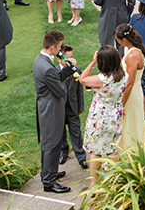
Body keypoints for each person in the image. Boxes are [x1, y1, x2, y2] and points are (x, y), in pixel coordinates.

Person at [33, 30, 77, 193]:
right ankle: (49, 182)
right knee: (52, 143)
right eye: (58, 46)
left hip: (45, 106)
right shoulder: (47, 68)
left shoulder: (40, 60)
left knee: (48, 142)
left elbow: (55, 78)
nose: (59, 49)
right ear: (52, 47)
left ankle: (48, 172)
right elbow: (60, 91)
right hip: (51, 109)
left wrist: (68, 69)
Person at [78, 45, 126, 182]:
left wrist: (92, 63)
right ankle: (114, 181)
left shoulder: (101, 79)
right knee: (112, 148)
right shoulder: (124, 75)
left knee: (95, 150)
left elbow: (82, 79)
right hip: (115, 115)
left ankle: (95, 184)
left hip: (99, 118)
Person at [114, 23, 145, 150]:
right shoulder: (132, 51)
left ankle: (131, 153)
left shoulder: (133, 55)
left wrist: (121, 104)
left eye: (118, 40)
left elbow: (130, 83)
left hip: (131, 94)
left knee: (130, 124)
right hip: (133, 91)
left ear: (124, 40)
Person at [57, 43, 88, 171]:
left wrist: (80, 106)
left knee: (76, 131)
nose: (70, 60)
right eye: (67, 58)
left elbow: (79, 90)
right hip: (59, 108)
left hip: (73, 106)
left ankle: (81, 157)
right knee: (61, 133)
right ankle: (63, 152)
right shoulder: (54, 71)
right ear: (60, 58)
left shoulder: (77, 70)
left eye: (71, 57)